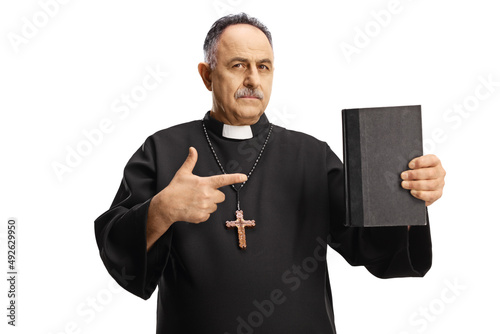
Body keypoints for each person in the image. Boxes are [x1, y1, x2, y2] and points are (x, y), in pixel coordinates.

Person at [94, 13, 446, 334]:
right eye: (238, 65)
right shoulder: (164, 150)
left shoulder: (312, 155)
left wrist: (411, 197)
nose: (252, 79)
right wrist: (162, 209)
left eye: (264, 66)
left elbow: (373, 247)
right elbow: (115, 247)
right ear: (207, 75)